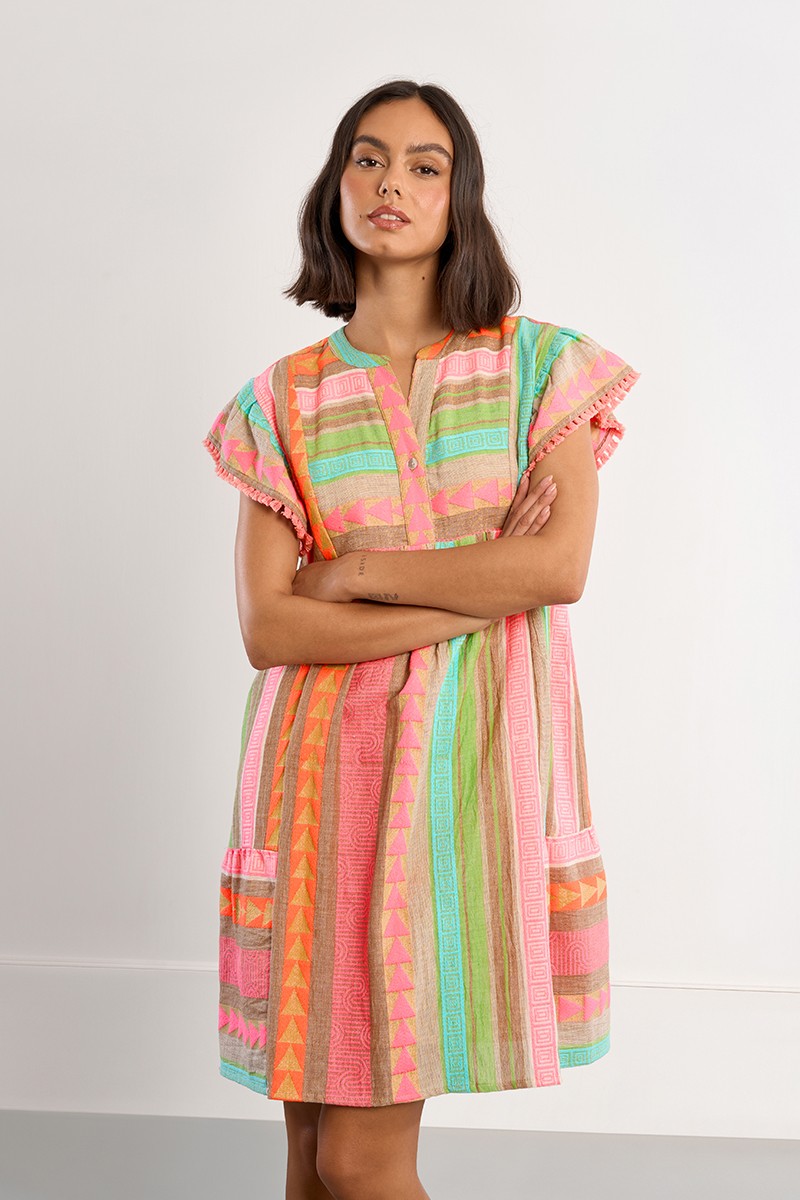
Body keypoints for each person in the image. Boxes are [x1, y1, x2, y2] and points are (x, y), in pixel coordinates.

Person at [203, 79, 640, 1200]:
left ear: (460, 198)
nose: (390, 181)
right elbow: (269, 626)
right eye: (367, 157)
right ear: (334, 186)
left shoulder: (541, 369)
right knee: (309, 1157)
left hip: (462, 794)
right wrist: (474, 593)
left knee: (357, 1159)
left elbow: (554, 570)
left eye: (423, 164)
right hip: (313, 786)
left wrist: (353, 575)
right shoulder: (278, 403)